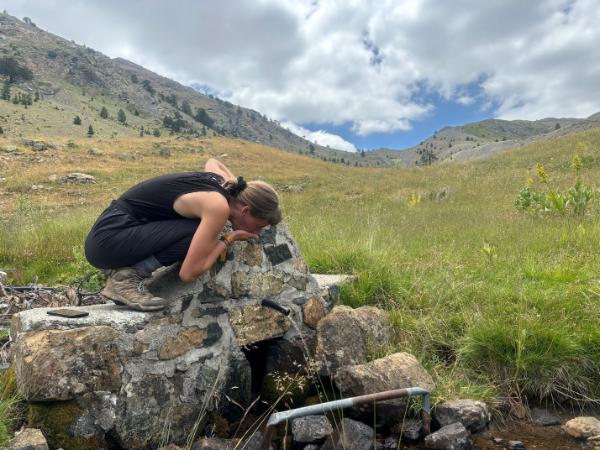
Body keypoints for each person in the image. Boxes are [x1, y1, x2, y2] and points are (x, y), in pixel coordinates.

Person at [84, 158, 281, 311]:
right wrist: (229, 239)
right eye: (258, 226)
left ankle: (126, 273)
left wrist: (241, 186)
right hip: (108, 240)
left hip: (110, 231)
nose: (255, 233)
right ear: (245, 210)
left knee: (200, 228)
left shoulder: (222, 185)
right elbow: (189, 273)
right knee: (199, 231)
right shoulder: (218, 207)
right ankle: (124, 280)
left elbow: (213, 162)